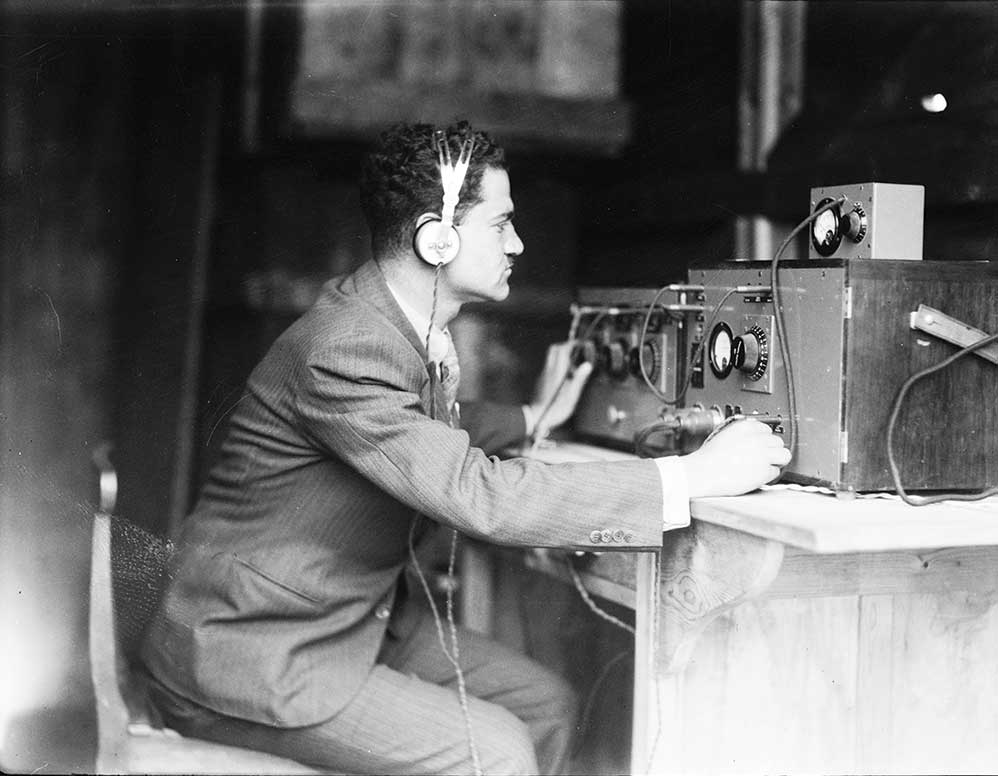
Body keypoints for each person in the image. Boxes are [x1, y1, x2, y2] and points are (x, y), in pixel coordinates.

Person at [139, 120, 791, 776]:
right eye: (501, 224)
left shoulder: (382, 318)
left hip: (336, 622)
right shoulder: (349, 345)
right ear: (437, 239)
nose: (518, 242)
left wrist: (534, 416)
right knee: (500, 753)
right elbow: (479, 496)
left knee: (547, 708)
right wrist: (693, 475)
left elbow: (410, 431)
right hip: (255, 655)